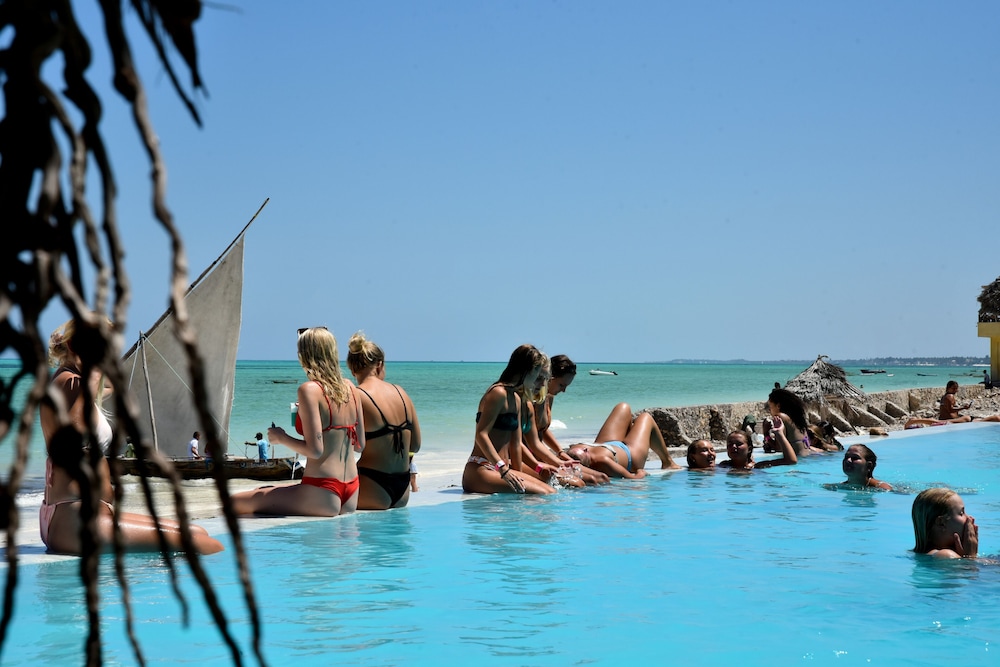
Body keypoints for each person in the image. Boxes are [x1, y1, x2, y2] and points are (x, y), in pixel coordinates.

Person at [39, 320, 223, 555]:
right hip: (75, 520)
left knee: (197, 531)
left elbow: (107, 390)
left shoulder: (77, 382)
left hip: (84, 514)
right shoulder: (69, 383)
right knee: (205, 545)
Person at [232, 327, 364, 516]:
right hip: (351, 489)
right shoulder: (351, 388)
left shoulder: (309, 390)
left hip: (322, 489)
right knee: (262, 491)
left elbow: (315, 450)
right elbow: (360, 445)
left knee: (231, 503)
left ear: (305, 355)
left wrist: (281, 437)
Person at [463, 344, 555, 495]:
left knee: (551, 491)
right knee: (543, 494)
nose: (539, 382)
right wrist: (502, 469)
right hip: (482, 468)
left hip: (502, 469)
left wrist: (519, 475)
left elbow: (516, 444)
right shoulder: (498, 392)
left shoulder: (516, 398)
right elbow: (481, 434)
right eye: (537, 375)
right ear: (526, 371)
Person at [347, 331, 421, 510]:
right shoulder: (401, 392)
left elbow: (345, 445)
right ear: (379, 364)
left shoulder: (356, 395)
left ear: (352, 369)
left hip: (371, 484)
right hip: (402, 489)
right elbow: (416, 445)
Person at [528, 355, 609, 485]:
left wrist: (560, 452)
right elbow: (531, 438)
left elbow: (543, 429)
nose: (564, 390)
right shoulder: (531, 401)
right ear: (550, 378)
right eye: (561, 385)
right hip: (532, 457)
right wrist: (556, 460)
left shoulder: (549, 397)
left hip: (542, 454)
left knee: (602, 477)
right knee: (589, 481)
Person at [565, 403, 681, 479]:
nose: (585, 449)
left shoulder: (571, 453)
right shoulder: (603, 461)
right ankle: (668, 463)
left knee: (623, 407)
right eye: (585, 452)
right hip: (630, 455)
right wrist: (641, 473)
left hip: (606, 444)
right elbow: (633, 478)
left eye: (582, 449)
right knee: (646, 417)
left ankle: (632, 434)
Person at [912, 488, 978, 559]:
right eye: (961, 513)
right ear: (942, 523)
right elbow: (970, 566)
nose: (970, 518)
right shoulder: (946, 555)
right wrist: (971, 555)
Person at [762, 388, 818, 457]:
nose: (770, 411)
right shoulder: (796, 418)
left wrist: (766, 433)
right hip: (808, 456)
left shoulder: (780, 416)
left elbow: (779, 448)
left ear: (778, 406)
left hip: (799, 459)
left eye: (770, 408)